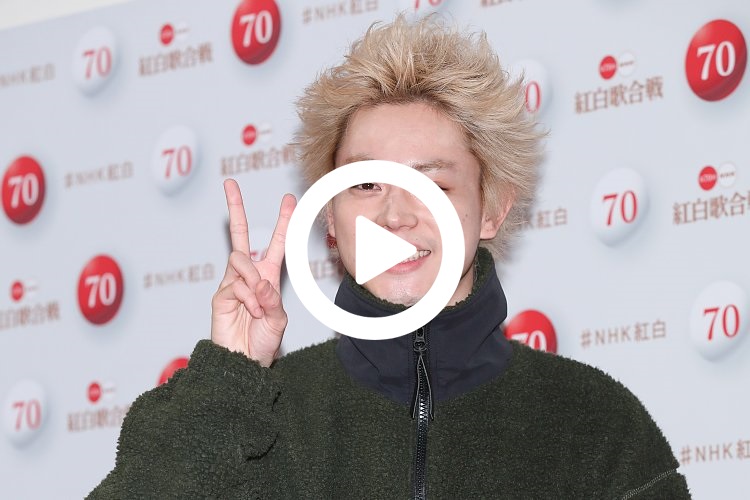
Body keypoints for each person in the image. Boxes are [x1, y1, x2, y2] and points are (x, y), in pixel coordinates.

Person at [88, 15, 690, 499]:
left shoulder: (593, 423)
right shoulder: (265, 417)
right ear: (330, 217)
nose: (396, 215)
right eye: (366, 184)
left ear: (491, 210)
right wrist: (229, 383)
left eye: (434, 183)